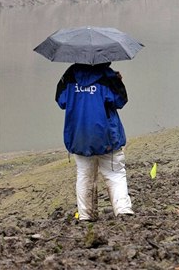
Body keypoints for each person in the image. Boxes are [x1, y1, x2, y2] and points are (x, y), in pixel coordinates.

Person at [56, 62, 134, 221]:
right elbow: (120, 100)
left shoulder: (70, 75)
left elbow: (61, 101)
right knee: (115, 174)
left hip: (79, 136)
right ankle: (123, 211)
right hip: (106, 136)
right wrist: (118, 81)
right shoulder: (106, 75)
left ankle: (86, 215)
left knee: (84, 176)